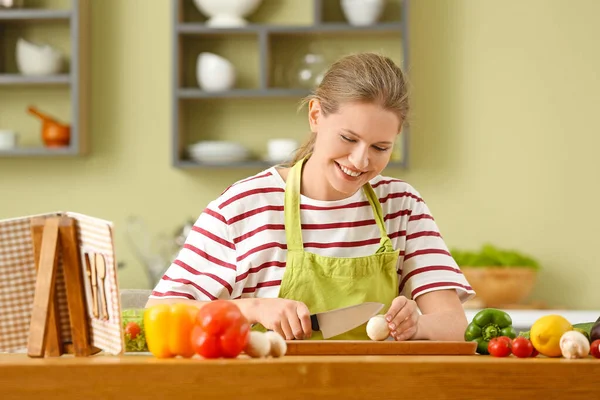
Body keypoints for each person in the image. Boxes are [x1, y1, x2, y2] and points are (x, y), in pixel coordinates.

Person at [147, 52, 474, 341]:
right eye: (348, 138)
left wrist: (415, 327)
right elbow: (159, 313)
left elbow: (453, 325)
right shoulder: (244, 206)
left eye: (380, 147)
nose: (361, 161)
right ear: (316, 115)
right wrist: (252, 308)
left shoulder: (402, 206)